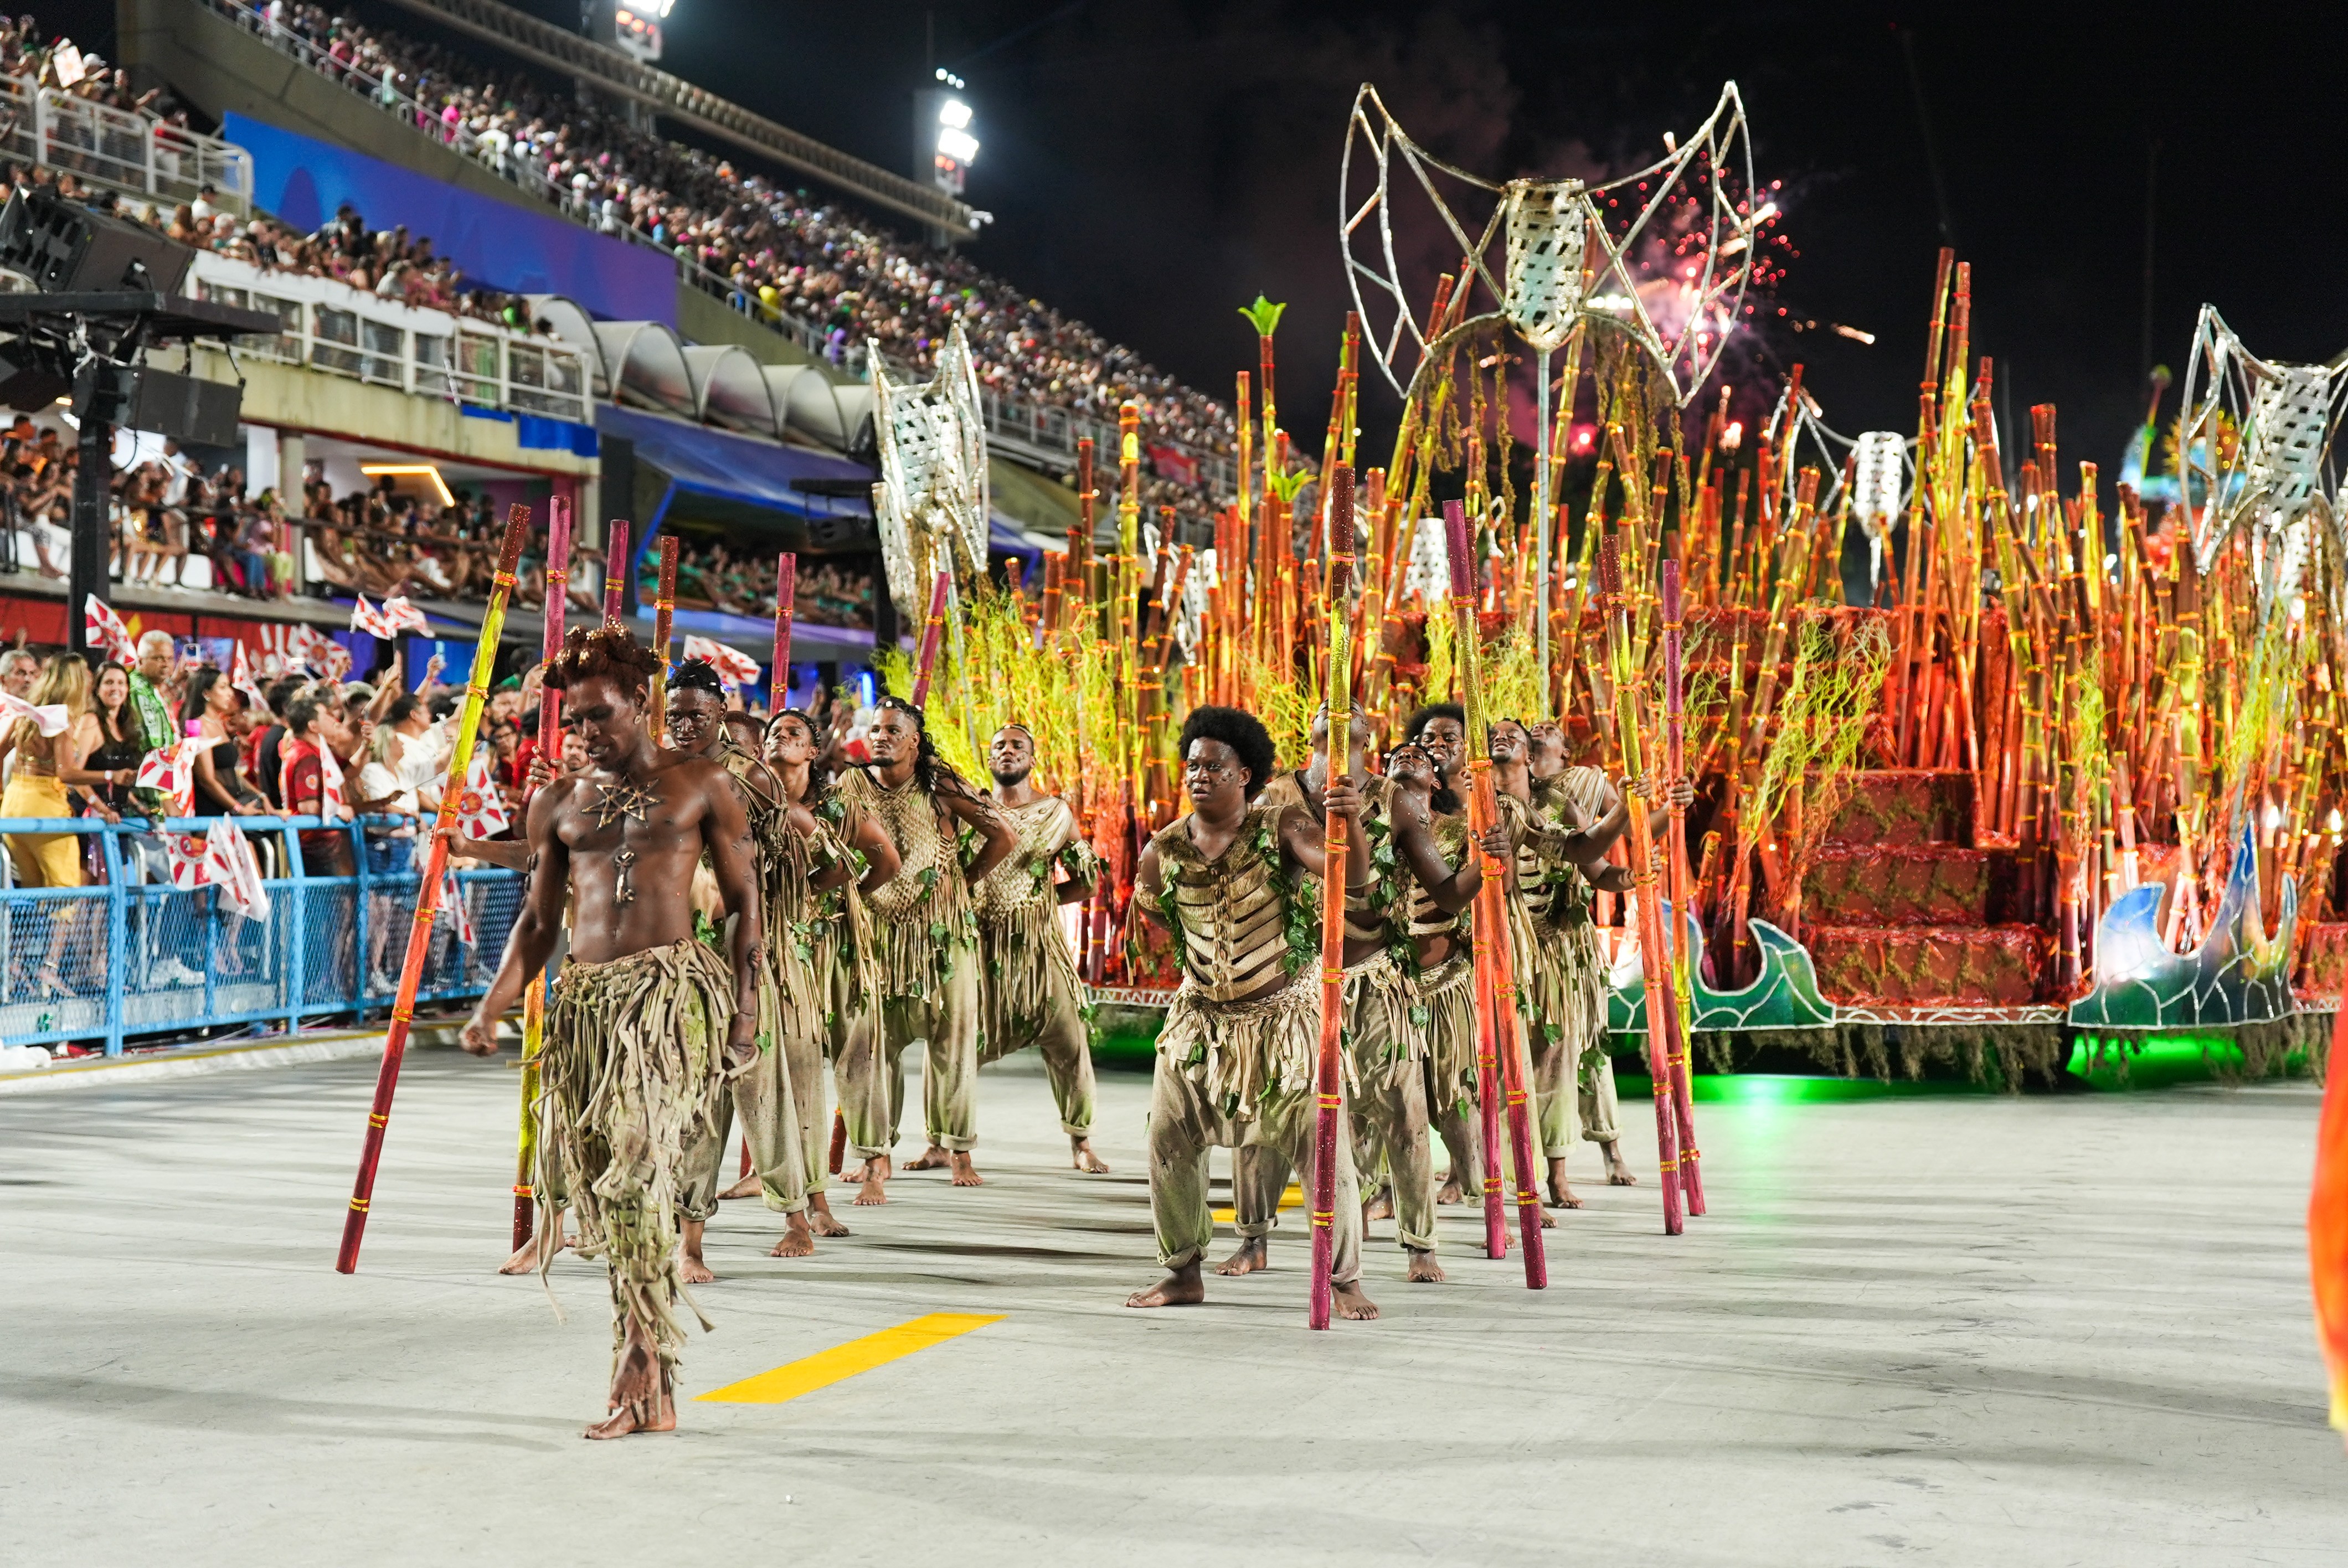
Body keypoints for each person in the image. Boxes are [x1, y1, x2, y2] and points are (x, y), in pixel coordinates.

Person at [460, 623, 763, 1441]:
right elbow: (536, 919)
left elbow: (743, 909)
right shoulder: (555, 801)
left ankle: (637, 1361)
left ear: (642, 703)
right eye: (575, 721)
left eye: (601, 715)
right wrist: (493, 1006)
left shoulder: (702, 785)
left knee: (635, 1178)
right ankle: (654, 1376)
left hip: (667, 1007)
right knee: (613, 1197)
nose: (587, 734)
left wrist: (745, 1009)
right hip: (589, 1012)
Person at [1124, 705, 1378, 1319]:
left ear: (1246, 776)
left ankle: (1343, 1280)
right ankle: (1183, 1271)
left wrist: (1348, 826)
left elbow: (1354, 879)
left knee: (1322, 1148)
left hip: (1283, 1020)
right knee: (1167, 1139)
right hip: (1198, 1022)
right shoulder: (1162, 850)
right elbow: (1156, 915)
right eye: (1192, 765)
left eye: (1215, 766)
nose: (1199, 775)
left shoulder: (1284, 826)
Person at [1225, 704, 1484, 1283]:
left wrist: (1489, 865)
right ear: (1309, 733)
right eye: (1325, 708)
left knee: (1402, 1111)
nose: (1336, 711)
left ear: (1369, 737)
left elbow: (1444, 893)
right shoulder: (1273, 798)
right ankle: (1252, 1239)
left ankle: (1419, 1246)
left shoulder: (1394, 801)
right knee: (1266, 1113)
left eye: (1352, 713)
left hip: (1371, 981)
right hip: (1289, 987)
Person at [661, 659, 813, 1269]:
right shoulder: (659, 772)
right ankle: (690, 1241)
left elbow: (753, 881)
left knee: (760, 1094)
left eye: (698, 714)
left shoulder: (748, 778)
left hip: (741, 952)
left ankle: (797, 1215)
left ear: (722, 714)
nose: (685, 725)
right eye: (674, 715)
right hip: (680, 959)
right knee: (696, 1102)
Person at [832, 696, 1015, 1201]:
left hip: (941, 930)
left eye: (893, 730)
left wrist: (966, 880)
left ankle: (956, 1148)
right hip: (874, 934)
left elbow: (1003, 836)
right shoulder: (850, 785)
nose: (880, 737)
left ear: (914, 740)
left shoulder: (940, 784)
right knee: (868, 1046)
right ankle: (875, 1156)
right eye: (875, 729)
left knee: (952, 1040)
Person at [759, 706, 896, 1237]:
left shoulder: (835, 802)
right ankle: (802, 1190)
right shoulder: (748, 798)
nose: (780, 737)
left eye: (793, 732)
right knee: (793, 1069)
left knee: (855, 1054)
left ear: (814, 751)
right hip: (774, 945)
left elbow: (883, 861)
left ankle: (871, 1162)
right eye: (773, 732)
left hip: (832, 942)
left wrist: (834, 897)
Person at [974, 724, 1108, 1174]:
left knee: (1069, 1042)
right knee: (956, 1045)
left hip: (1038, 946)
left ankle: (1082, 1142)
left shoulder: (1055, 813)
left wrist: (1045, 901)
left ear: (1032, 760)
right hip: (979, 946)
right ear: (989, 760)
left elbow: (1088, 881)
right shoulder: (969, 809)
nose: (1007, 751)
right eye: (999, 746)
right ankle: (945, 1142)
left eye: (1017, 746)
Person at [1, 654, 121, 998]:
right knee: (67, 892)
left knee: (35, 894)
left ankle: (15, 962)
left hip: (14, 806)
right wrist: (111, 775)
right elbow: (67, 773)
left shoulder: (26, 714)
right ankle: (48, 970)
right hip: (45, 808)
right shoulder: (61, 719)